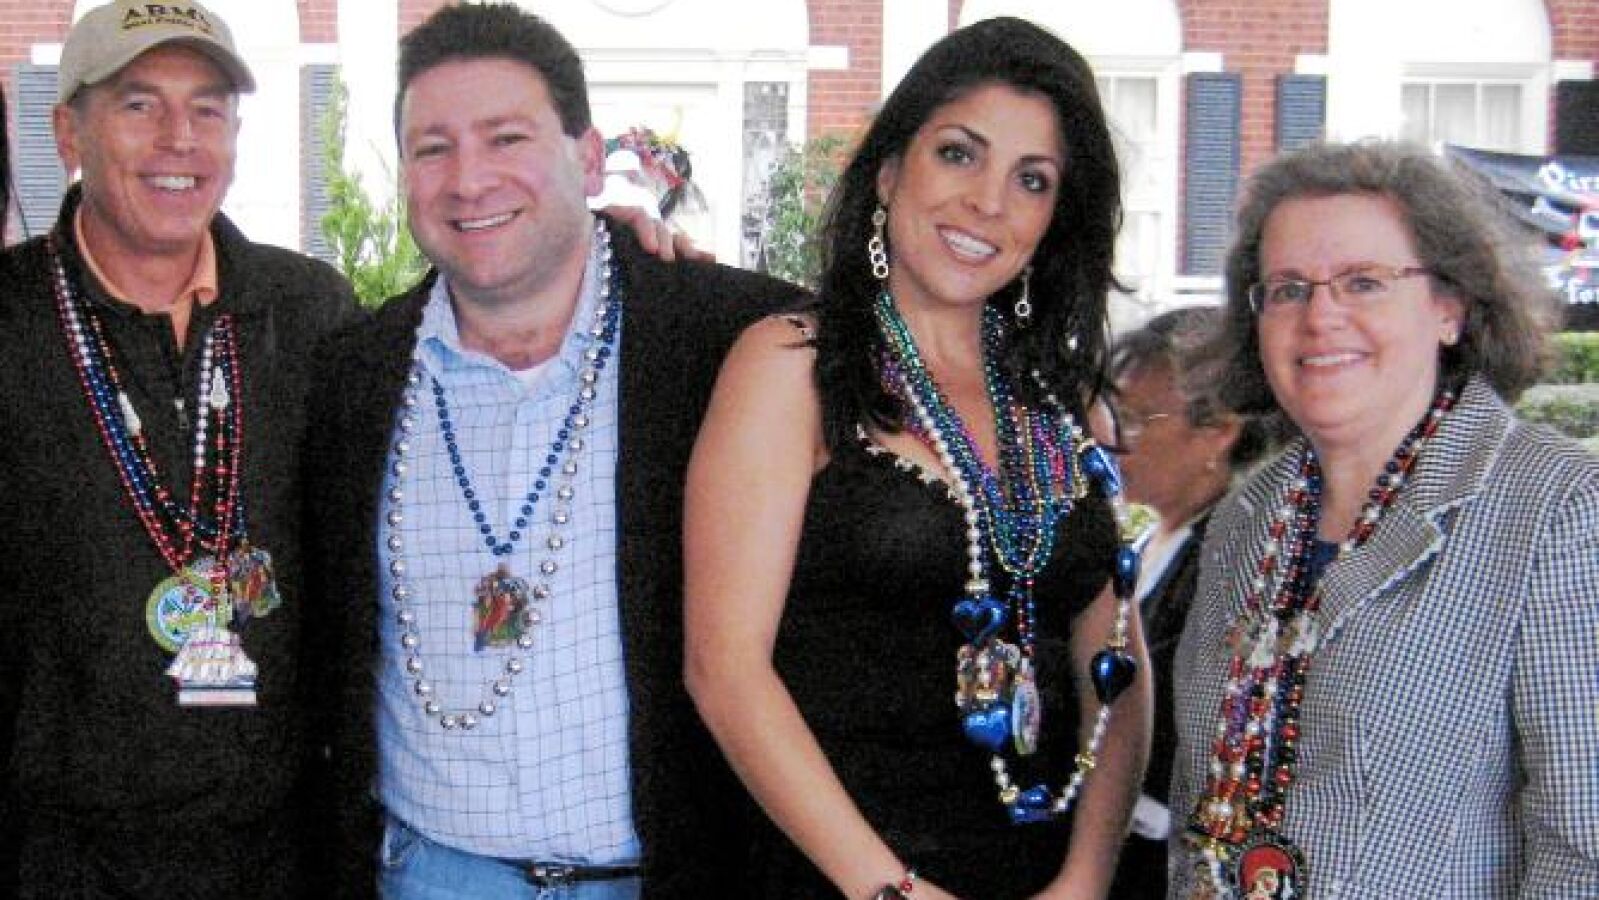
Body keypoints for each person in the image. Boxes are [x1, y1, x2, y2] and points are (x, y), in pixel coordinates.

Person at [299, 4, 803, 897]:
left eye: (506, 138)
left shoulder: (727, 340)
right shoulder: (351, 375)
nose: (469, 180)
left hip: (671, 877)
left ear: (586, 157)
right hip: (429, 876)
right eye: (432, 149)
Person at [683, 17, 1152, 899]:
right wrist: (891, 892)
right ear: (890, 168)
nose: (987, 203)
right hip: (842, 880)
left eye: (1031, 179)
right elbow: (724, 670)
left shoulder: (1059, 396)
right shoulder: (789, 367)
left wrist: (1086, 877)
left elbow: (1116, 669)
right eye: (958, 154)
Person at [1169, 141, 1599, 898]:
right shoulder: (1244, 519)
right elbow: (1200, 808)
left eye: (1363, 282)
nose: (1320, 317)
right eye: (1288, 289)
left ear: (1449, 306)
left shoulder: (1557, 508)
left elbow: (1585, 851)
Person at [0, 1, 359, 897]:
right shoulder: (10, 317)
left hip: (276, 854)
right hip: (56, 858)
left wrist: (605, 247)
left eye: (208, 109)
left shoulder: (309, 309)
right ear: (68, 132)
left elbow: (472, 328)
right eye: (139, 105)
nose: (180, 139)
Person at [1101, 308, 1272, 899]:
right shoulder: (1150, 542)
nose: (1111, 441)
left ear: (1219, 429)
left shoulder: (1236, 560)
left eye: (1133, 420)